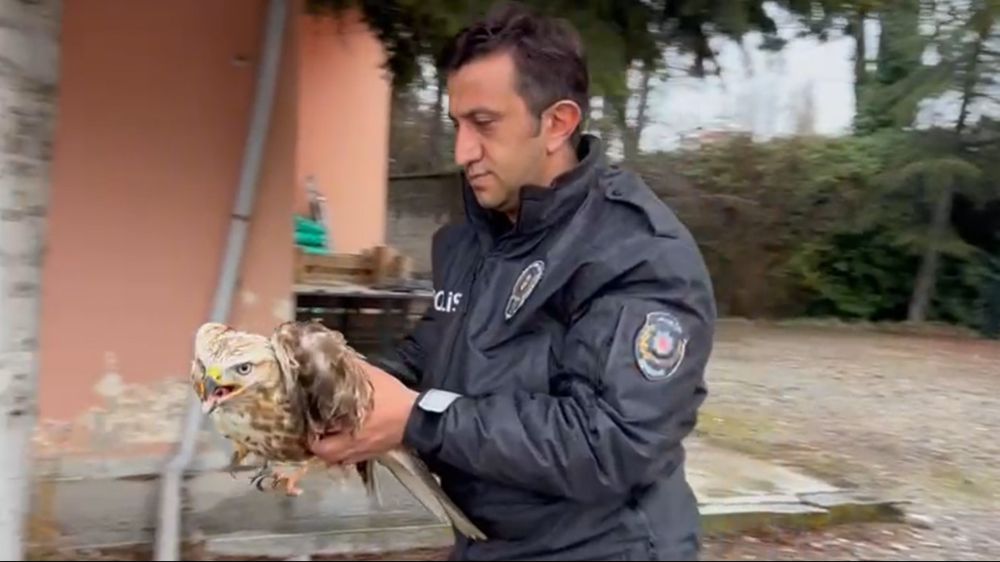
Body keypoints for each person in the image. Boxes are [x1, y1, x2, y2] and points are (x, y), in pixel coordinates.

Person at [308, 3, 716, 561]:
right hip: (488, 544)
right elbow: (433, 356)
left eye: (484, 123)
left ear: (557, 123)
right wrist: (335, 387)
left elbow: (610, 442)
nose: (462, 152)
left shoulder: (637, 251)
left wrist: (417, 418)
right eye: (457, 124)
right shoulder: (474, 238)